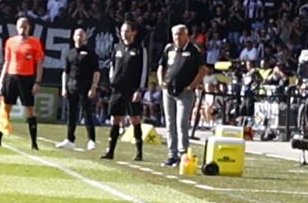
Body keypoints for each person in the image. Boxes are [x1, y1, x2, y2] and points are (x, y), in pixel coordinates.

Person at [0, 15, 44, 151]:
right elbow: (7, 61)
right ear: (16, 28)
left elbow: (39, 63)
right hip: (11, 77)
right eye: (20, 27)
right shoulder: (10, 42)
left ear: (29, 27)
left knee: (30, 110)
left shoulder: (35, 43)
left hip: (27, 79)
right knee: (5, 109)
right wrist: (1, 79)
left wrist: (37, 81)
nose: (22, 29)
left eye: (25, 27)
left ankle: (34, 143)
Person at [156, 22, 206, 172]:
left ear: (187, 35)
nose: (177, 37)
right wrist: (160, 81)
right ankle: (172, 155)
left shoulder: (193, 50)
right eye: (175, 34)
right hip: (168, 91)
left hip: (185, 92)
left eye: (180, 34)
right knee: (170, 124)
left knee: (182, 123)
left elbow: (202, 69)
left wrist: (192, 86)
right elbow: (161, 66)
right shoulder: (169, 48)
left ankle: (183, 153)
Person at [100, 19, 152, 162]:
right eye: (122, 31)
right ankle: (110, 150)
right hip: (117, 89)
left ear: (133, 32)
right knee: (115, 119)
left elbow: (143, 71)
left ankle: (139, 152)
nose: (124, 34)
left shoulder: (140, 49)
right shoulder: (117, 48)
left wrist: (140, 90)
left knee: (135, 119)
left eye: (127, 31)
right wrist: (111, 81)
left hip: (132, 90)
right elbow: (112, 65)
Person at [57, 30, 103, 150]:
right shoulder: (69, 53)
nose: (79, 37)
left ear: (85, 38)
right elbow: (65, 72)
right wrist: (64, 87)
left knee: (87, 113)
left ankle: (91, 139)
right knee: (71, 114)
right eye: (77, 35)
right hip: (72, 86)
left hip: (85, 86)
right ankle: (70, 139)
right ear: (73, 37)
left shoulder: (90, 53)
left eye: (81, 35)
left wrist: (93, 87)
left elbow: (96, 72)